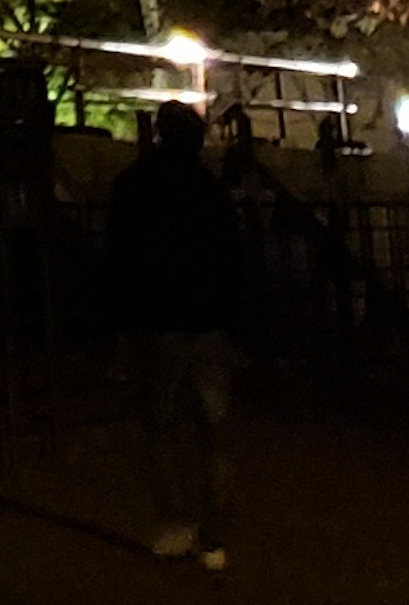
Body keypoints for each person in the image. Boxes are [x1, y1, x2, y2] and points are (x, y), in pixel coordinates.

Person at [100, 95, 241, 567]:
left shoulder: (134, 186)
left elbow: (117, 258)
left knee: (160, 426)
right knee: (214, 433)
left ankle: (176, 523)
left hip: (155, 319)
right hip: (208, 321)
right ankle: (214, 537)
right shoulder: (209, 190)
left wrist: (118, 323)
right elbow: (232, 258)